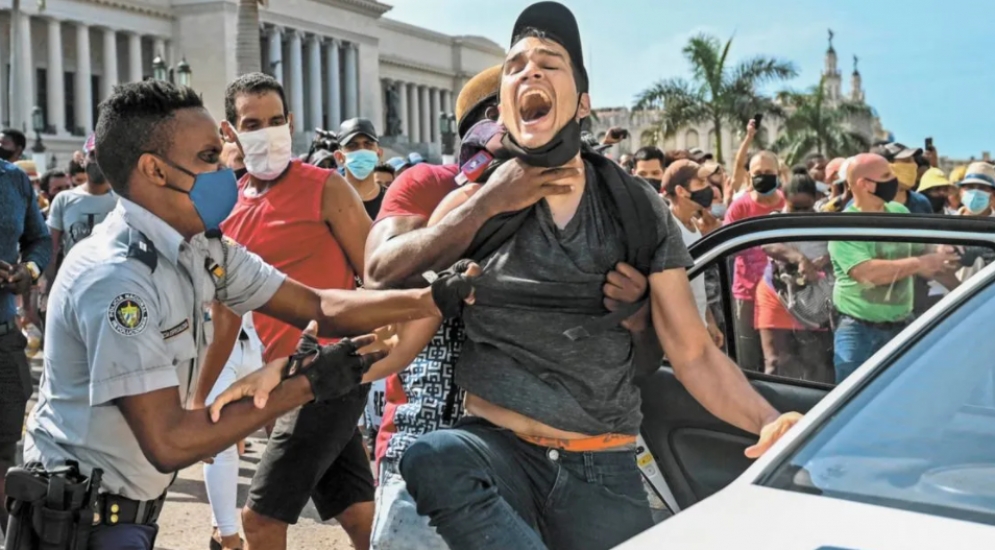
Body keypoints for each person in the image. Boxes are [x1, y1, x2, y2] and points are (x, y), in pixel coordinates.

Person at [396, 4, 800, 549]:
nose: (530, 72)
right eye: (516, 65)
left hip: (600, 466)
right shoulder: (470, 207)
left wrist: (771, 423)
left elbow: (695, 354)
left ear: (582, 101)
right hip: (494, 455)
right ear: (503, 105)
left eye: (550, 63)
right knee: (432, 457)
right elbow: (402, 324)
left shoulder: (636, 209)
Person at [21, 79, 460, 549]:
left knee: (352, 507)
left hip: (119, 513)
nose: (224, 173)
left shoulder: (202, 248)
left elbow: (319, 305)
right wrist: (306, 383)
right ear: (154, 170)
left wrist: (434, 298)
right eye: (209, 158)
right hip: (75, 521)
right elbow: (169, 442)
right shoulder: (116, 279)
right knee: (267, 518)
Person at [363, 62, 653, 549]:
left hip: (538, 453)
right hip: (429, 436)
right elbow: (380, 274)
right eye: (509, 112)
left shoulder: (593, 209)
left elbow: (633, 353)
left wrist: (637, 309)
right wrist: (484, 206)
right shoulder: (432, 185)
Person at [210, 73, 377, 550]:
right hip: (282, 380)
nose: (267, 131)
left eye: (276, 120)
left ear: (292, 121)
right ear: (231, 132)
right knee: (359, 515)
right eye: (252, 123)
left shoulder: (326, 187)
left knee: (259, 521)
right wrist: (204, 396)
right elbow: (226, 311)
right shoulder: (229, 205)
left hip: (330, 375)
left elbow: (378, 275)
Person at [829, 153, 959, 383]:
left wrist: (939, 255)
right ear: (865, 184)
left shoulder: (899, 213)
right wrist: (920, 264)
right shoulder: (845, 226)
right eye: (887, 175)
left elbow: (920, 251)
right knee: (851, 403)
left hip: (901, 328)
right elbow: (868, 273)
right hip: (858, 332)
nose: (895, 180)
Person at [0, 154, 51, 534]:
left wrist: (26, 272)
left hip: (4, 340)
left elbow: (39, 239)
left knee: (4, 454)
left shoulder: (14, 180)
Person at [756, 169, 833, 383]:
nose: (800, 214)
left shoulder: (826, 222)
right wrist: (799, 259)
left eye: (805, 208)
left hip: (815, 295)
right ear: (784, 199)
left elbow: (839, 250)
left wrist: (826, 259)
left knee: (817, 363)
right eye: (794, 208)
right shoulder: (775, 219)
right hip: (776, 292)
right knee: (776, 362)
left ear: (816, 200)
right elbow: (769, 245)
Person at [724, 149, 785, 372]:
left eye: (768, 171)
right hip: (746, 294)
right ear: (749, 175)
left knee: (777, 362)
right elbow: (726, 248)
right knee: (747, 363)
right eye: (758, 172)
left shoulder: (788, 206)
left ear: (779, 173)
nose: (763, 176)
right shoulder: (739, 207)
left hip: (781, 296)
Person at [661, 159, 723, 344]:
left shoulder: (695, 225)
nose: (708, 189)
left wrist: (709, 322)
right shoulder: (669, 230)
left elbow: (697, 283)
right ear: (681, 191)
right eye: (701, 183)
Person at [46, 137, 119, 283]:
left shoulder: (123, 200)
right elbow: (51, 251)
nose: (98, 161)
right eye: (93, 155)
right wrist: (50, 289)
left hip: (114, 283)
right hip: (73, 283)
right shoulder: (64, 199)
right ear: (82, 160)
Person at [335, 118, 386, 219]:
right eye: (352, 146)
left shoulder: (391, 199)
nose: (361, 150)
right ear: (340, 157)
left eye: (368, 144)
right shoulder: (329, 200)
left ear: (379, 153)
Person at [871, 142, 932, 214]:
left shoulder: (922, 203)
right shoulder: (863, 204)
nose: (914, 165)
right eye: (906, 161)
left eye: (913, 160)